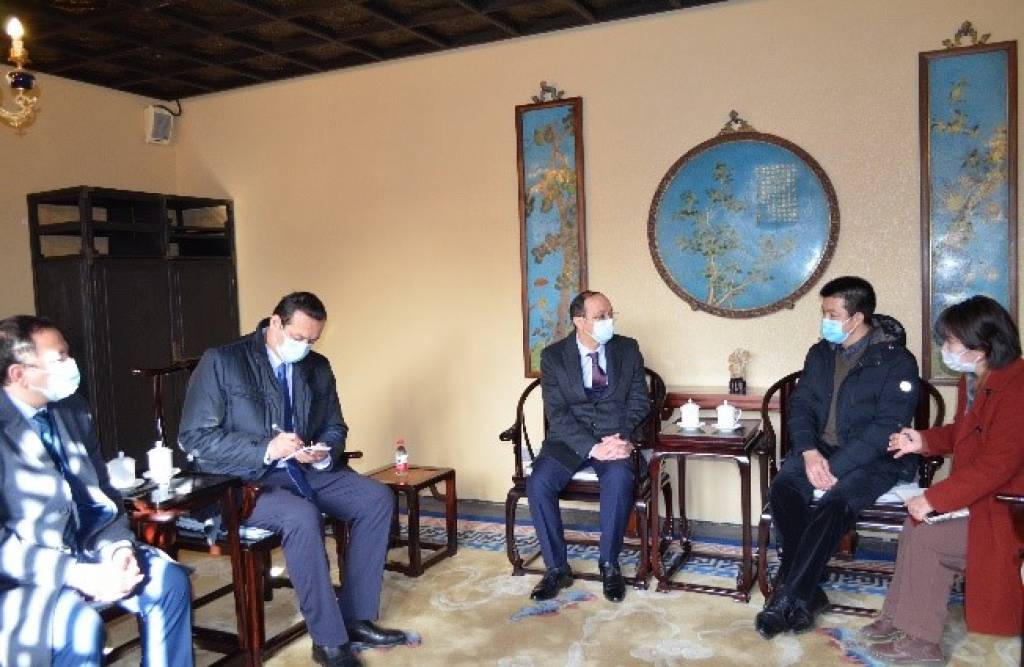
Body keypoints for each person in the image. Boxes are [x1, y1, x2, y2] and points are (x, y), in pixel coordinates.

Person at [178, 292, 404, 667]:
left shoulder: (317, 366)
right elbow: (194, 438)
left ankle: (356, 618)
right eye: (298, 337)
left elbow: (335, 425)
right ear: (275, 323)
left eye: (312, 340)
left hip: (303, 469)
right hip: (242, 479)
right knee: (301, 516)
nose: (305, 347)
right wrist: (267, 448)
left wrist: (324, 452)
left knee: (376, 498)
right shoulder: (223, 361)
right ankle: (329, 641)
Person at [0, 315, 192, 667]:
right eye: (60, 358)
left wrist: (118, 549)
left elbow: (102, 490)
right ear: (19, 374)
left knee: (169, 582)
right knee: (79, 628)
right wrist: (74, 574)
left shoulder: (72, 409)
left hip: (89, 549)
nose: (72, 364)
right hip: (24, 577)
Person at [755, 276, 920, 639]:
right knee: (783, 488)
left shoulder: (897, 362)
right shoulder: (820, 354)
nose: (825, 320)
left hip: (877, 458)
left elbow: (885, 428)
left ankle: (788, 597)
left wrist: (835, 467)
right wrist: (809, 452)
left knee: (834, 503)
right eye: (824, 312)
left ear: (857, 318)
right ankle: (808, 593)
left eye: (832, 314)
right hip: (820, 450)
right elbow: (801, 407)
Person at [863, 295, 1024, 663]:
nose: (945, 349)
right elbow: (964, 433)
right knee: (914, 525)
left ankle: (922, 643)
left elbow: (998, 465)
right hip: (983, 498)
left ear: (981, 345)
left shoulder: (1018, 388)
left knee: (929, 539)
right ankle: (897, 617)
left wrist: (934, 499)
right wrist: (922, 441)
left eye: (950, 341)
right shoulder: (975, 380)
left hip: (1008, 507)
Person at [526, 290, 651, 603]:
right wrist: (592, 447)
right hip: (568, 441)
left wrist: (623, 438)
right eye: (600, 316)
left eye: (611, 314)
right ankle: (557, 568)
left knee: (620, 478)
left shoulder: (627, 349)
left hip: (614, 437)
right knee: (538, 483)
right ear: (579, 321)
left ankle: (609, 563)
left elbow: (639, 401)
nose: (609, 321)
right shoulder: (553, 356)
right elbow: (557, 413)